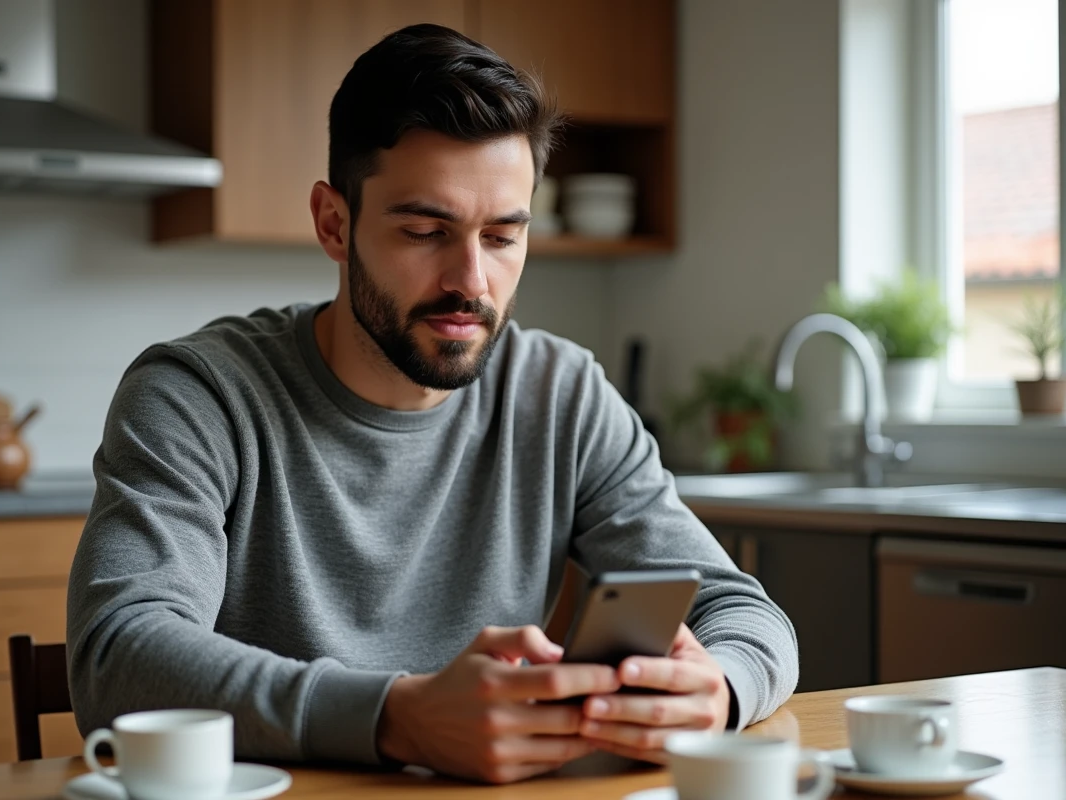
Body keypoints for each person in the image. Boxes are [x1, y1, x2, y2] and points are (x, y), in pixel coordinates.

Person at [66, 23, 798, 785]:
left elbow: (744, 613)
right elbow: (118, 655)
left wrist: (721, 692)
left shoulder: (561, 394)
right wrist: (397, 718)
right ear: (334, 223)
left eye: (503, 237)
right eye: (426, 230)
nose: (471, 281)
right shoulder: (197, 394)